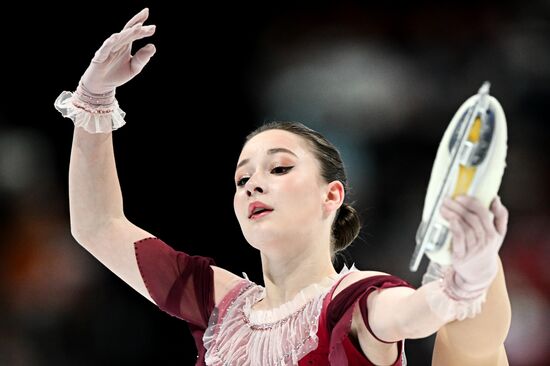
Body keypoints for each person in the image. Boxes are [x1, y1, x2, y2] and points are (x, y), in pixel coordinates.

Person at [55, 8, 511, 365]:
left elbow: (414, 312)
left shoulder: (355, 303)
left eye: (279, 169)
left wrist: (461, 286)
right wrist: (93, 104)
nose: (254, 185)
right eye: (242, 178)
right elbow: (97, 226)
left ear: (330, 195)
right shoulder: (218, 305)